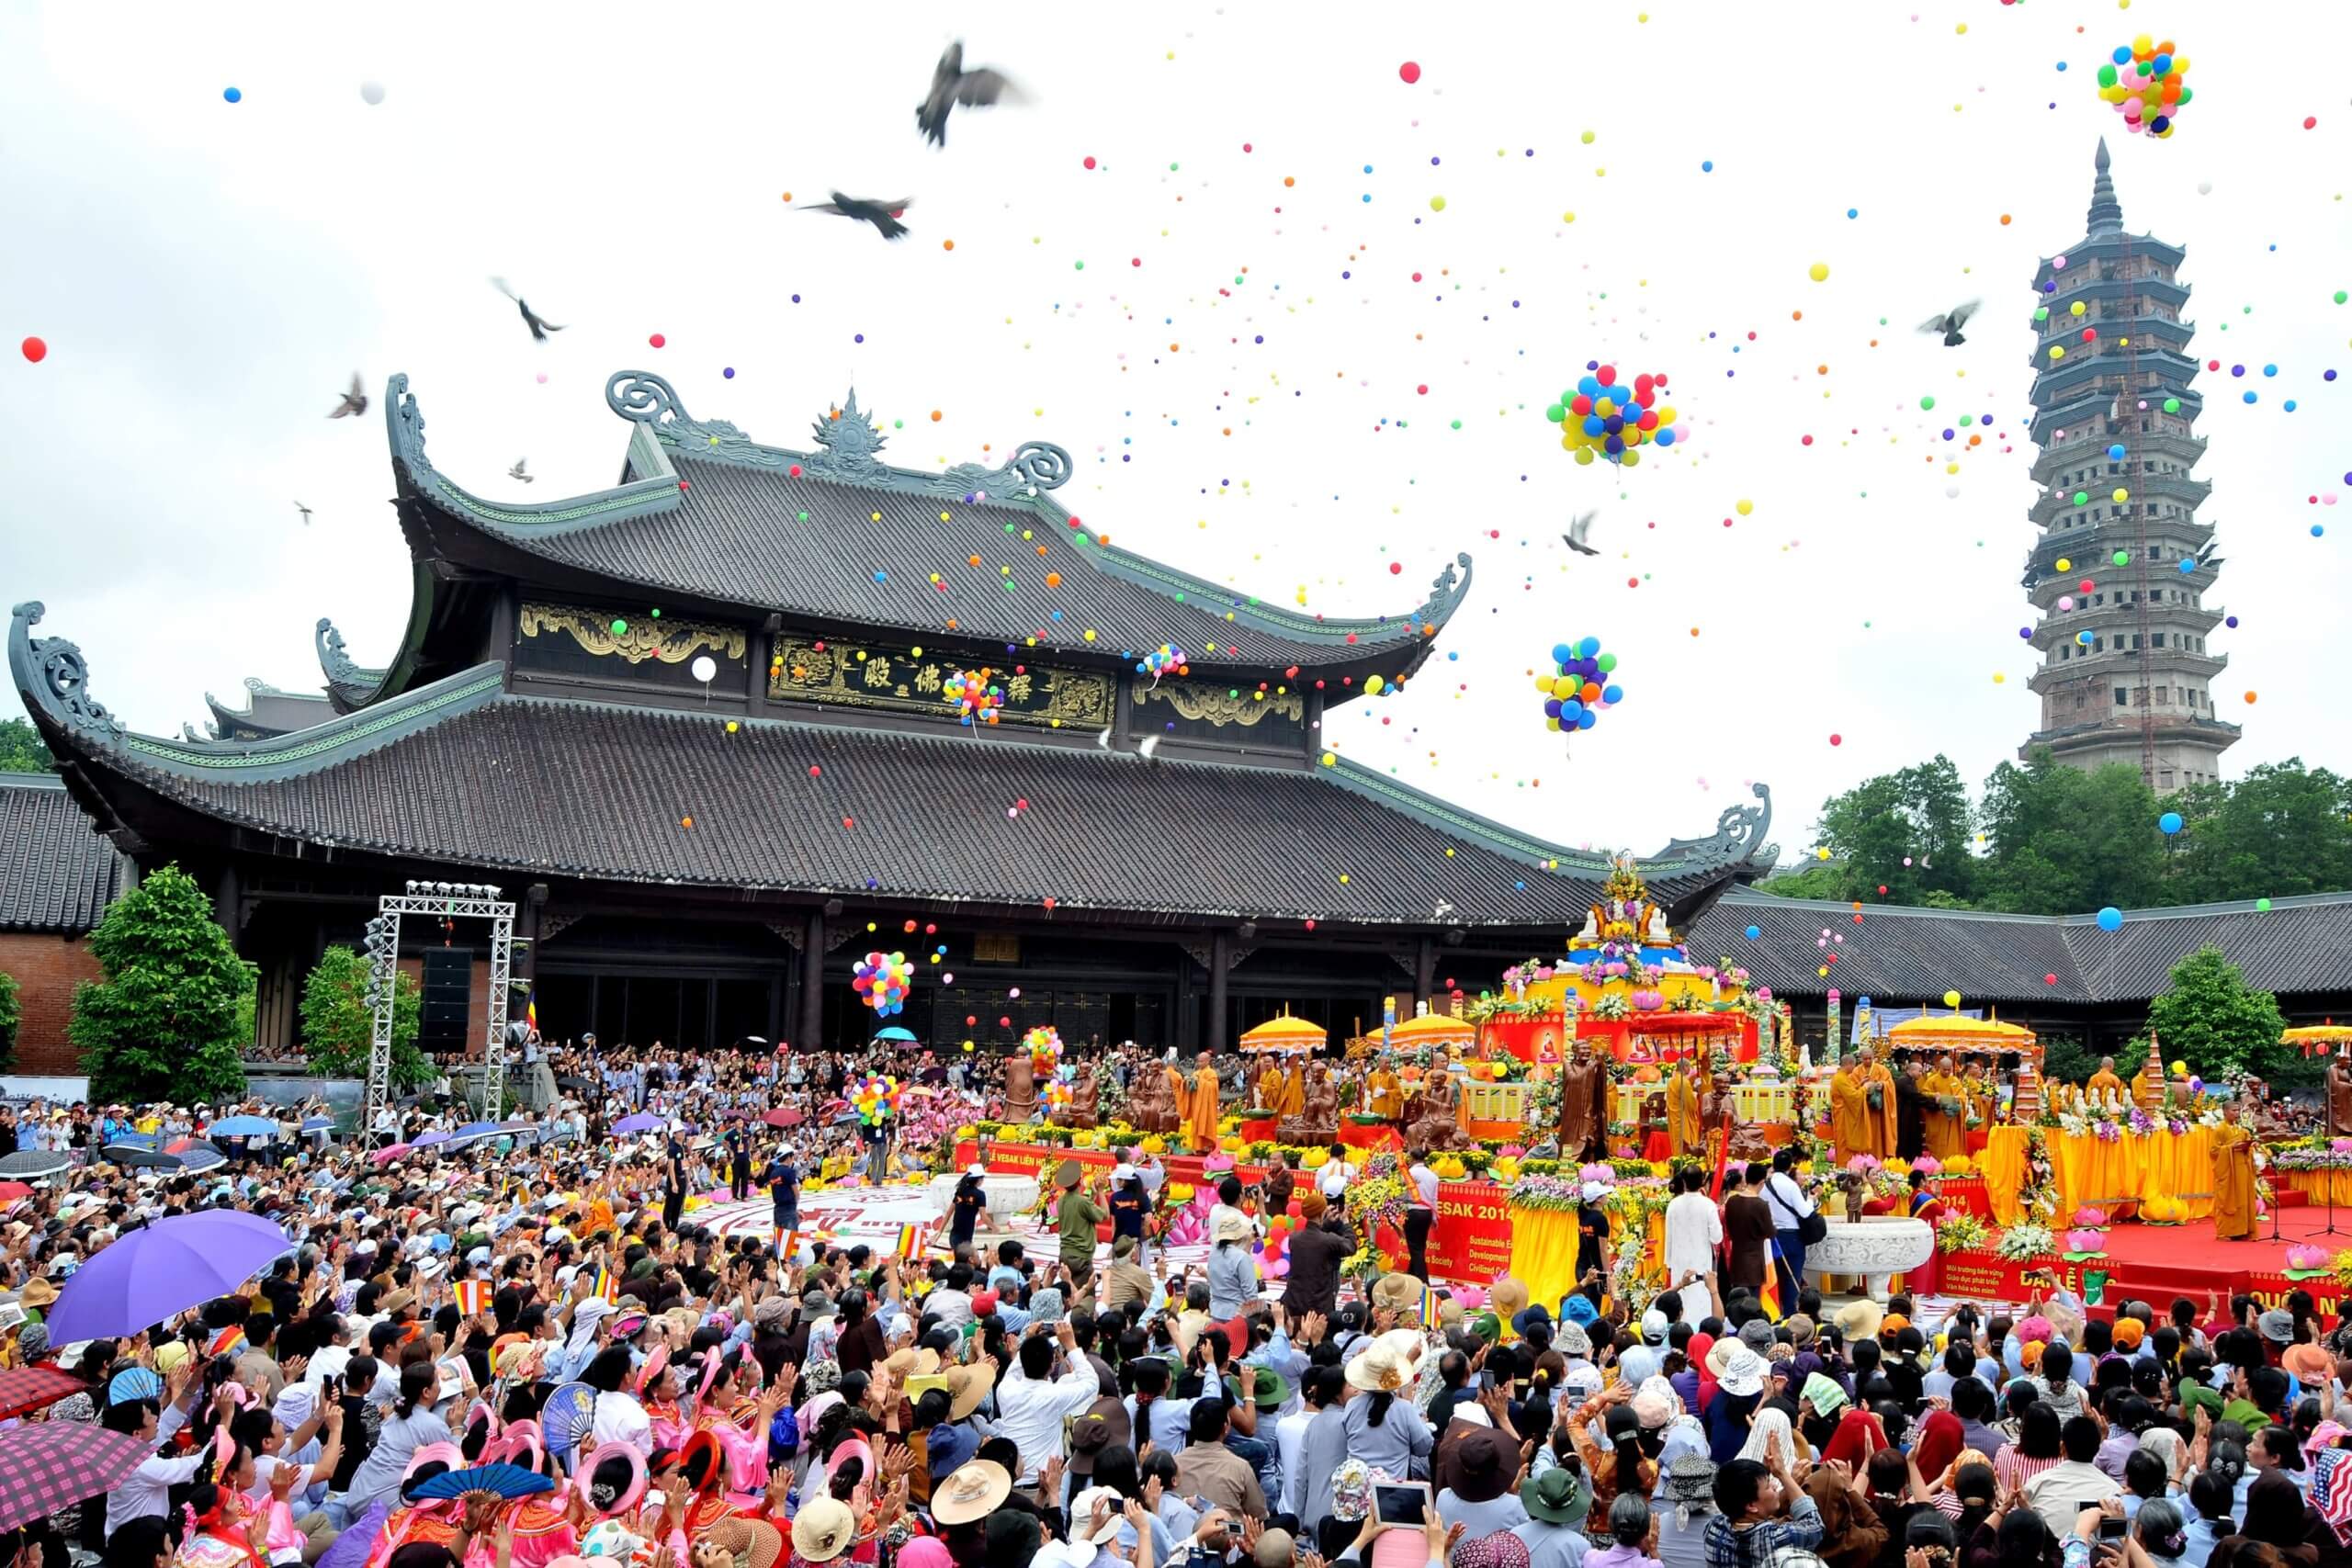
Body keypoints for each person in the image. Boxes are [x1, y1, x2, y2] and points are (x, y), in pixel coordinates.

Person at [1704, 1455, 1827, 1568]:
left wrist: (1762, 1474)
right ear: (1752, 1506)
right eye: (1768, 1485)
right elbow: (1814, 1525)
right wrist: (1783, 1474)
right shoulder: (1774, 1538)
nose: (1775, 1486)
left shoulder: (1713, 1529)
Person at [1662, 1171, 1722, 1325]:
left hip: (1678, 1262)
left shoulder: (1673, 1204)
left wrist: (1668, 1262)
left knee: (1681, 1299)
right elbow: (1717, 1237)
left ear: (1683, 1182)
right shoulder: (1708, 1204)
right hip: (1700, 1262)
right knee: (1700, 1303)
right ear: (1702, 1181)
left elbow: (1668, 1236)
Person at [1762, 1149, 1816, 1298]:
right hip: (1792, 1235)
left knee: (1774, 1275)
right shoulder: (1791, 1186)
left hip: (1771, 1235)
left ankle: (1775, 1310)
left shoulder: (1765, 1185)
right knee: (1792, 1275)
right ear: (1789, 1166)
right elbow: (1805, 1212)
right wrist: (1811, 1200)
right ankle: (1790, 1312)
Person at [1721, 1165, 1775, 1296]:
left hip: (1736, 1260)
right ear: (1762, 1183)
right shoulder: (1760, 1205)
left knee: (1737, 1299)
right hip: (1754, 1263)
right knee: (1751, 1302)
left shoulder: (1731, 1201)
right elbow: (1770, 1232)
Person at [2212, 1102, 2260, 1242]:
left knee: (2244, 1200)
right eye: (2233, 1110)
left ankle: (2244, 1230)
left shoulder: (2242, 1130)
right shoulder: (2219, 1130)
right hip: (2229, 1171)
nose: (2236, 1112)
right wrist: (2230, 1148)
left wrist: (2249, 1147)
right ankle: (2225, 1232)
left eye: (2238, 1110)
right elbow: (2214, 1151)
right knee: (2228, 1199)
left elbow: (2248, 1147)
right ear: (2225, 1112)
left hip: (2242, 1169)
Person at [947, 1163, 992, 1254]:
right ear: (979, 1179)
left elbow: (949, 1212)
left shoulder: (960, 1190)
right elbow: (984, 1217)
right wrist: (995, 1228)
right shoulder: (980, 1194)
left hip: (954, 1236)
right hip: (966, 1237)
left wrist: (940, 1231)